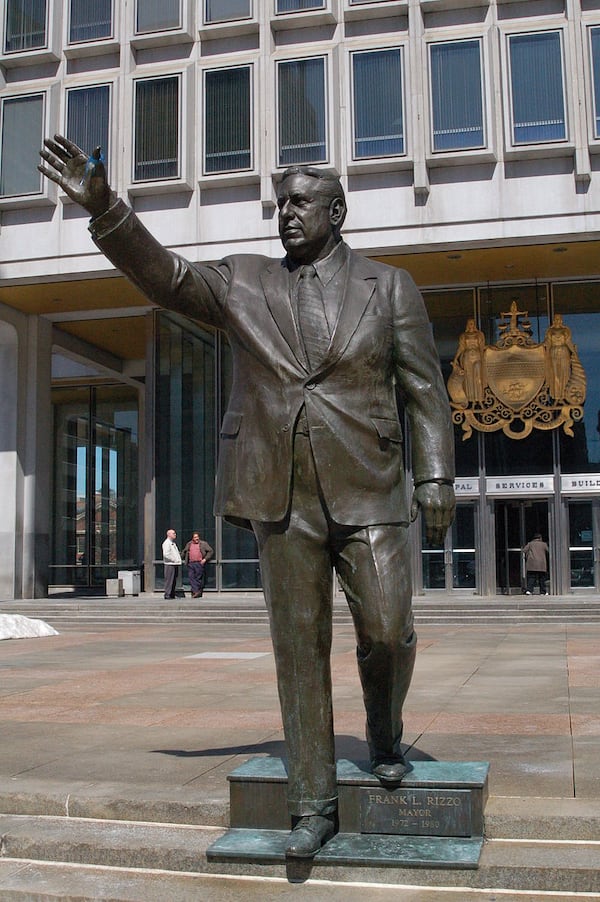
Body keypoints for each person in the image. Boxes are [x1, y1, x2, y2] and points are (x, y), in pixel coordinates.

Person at [39, 137, 456, 858]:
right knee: (299, 649)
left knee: (388, 631)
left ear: (337, 210)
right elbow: (167, 278)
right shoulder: (246, 281)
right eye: (279, 202)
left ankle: (384, 730)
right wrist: (106, 207)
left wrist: (436, 476)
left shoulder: (389, 288)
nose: (285, 213)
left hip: (371, 484)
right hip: (278, 489)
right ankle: (312, 804)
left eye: (299, 202)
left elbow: (424, 389)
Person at [182, 532, 214, 598]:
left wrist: (205, 559)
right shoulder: (189, 544)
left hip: (199, 563)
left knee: (198, 578)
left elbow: (211, 551)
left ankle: (196, 592)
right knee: (191, 577)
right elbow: (184, 551)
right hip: (191, 563)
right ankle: (196, 591)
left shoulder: (203, 544)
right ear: (192, 538)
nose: (196, 538)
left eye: (197, 537)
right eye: (195, 537)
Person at [162, 528, 182, 599]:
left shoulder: (173, 543)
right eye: (173, 533)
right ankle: (167, 594)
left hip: (174, 564)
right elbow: (166, 554)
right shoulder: (167, 543)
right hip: (170, 564)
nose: (175, 534)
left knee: (173, 580)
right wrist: (174, 560)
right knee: (169, 580)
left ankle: (172, 594)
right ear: (169, 534)